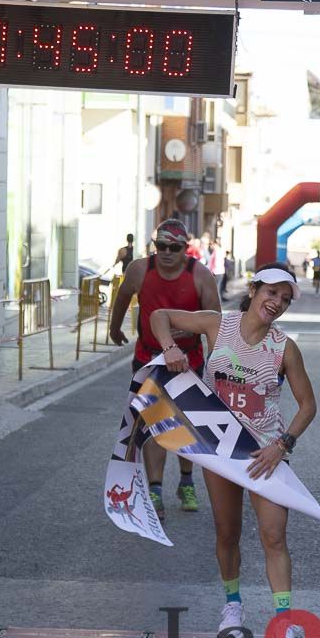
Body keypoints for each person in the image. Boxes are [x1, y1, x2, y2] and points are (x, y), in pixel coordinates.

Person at [150, 264, 316, 638]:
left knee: (274, 534)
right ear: (255, 289)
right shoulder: (216, 325)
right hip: (221, 452)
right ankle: (233, 607)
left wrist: (283, 444)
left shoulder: (284, 349)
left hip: (265, 455)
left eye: (285, 299)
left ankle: (283, 623)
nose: (276, 303)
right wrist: (170, 347)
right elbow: (160, 316)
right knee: (227, 534)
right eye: (271, 293)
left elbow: (308, 405)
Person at [109, 219, 222, 515]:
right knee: (154, 421)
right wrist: (114, 328)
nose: (167, 252)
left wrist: (216, 366)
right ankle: (155, 489)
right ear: (154, 246)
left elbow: (215, 323)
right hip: (149, 358)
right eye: (161, 246)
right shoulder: (139, 270)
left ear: (186, 249)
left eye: (174, 247)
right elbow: (122, 298)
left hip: (189, 360)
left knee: (185, 425)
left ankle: (186, 482)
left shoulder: (200, 275)